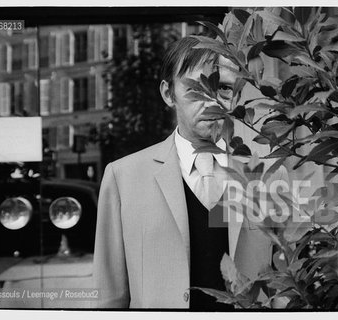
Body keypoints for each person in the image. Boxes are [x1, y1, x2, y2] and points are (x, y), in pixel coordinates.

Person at [92, 36, 288, 309]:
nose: (211, 102)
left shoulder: (268, 176)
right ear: (168, 94)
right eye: (196, 88)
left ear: (237, 97)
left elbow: (286, 286)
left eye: (223, 88)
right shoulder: (122, 178)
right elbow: (108, 297)